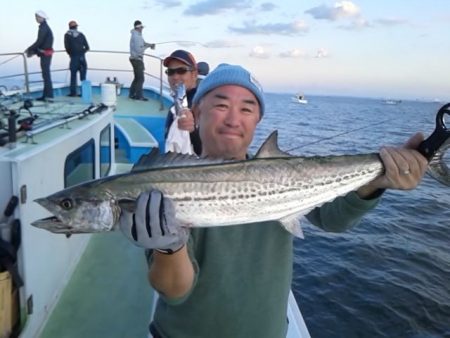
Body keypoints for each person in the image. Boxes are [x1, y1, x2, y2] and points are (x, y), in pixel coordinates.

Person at [119, 64, 428, 338]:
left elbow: (334, 219)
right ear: (196, 113)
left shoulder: (285, 175)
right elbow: (174, 291)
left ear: (258, 120)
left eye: (247, 109)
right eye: (221, 105)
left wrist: (381, 178)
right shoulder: (163, 186)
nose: (233, 119)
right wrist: (168, 247)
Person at [163, 49, 201, 155]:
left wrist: (193, 131)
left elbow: (210, 150)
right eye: (170, 72)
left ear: (194, 74)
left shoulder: (203, 104)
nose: (175, 77)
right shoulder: (176, 104)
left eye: (181, 71)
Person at [25, 10, 54, 101]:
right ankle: (46, 95)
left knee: (46, 75)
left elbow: (39, 41)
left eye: (37, 17)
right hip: (45, 53)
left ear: (42, 18)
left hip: (45, 54)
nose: (36, 19)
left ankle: (48, 96)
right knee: (45, 75)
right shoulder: (44, 27)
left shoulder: (44, 28)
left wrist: (29, 49)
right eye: (36, 17)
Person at [129, 20, 155, 101]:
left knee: (137, 78)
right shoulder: (136, 37)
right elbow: (139, 50)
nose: (142, 29)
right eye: (141, 27)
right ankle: (138, 96)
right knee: (140, 79)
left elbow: (143, 44)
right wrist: (148, 47)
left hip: (135, 59)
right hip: (137, 60)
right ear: (138, 28)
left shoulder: (137, 35)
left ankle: (132, 94)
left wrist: (150, 45)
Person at [64, 20, 90, 97]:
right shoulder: (81, 35)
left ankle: (73, 93)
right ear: (76, 27)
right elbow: (87, 47)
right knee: (83, 77)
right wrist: (82, 53)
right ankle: (84, 93)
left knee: (73, 76)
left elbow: (67, 47)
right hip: (82, 58)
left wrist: (71, 54)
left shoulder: (67, 35)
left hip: (74, 58)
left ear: (69, 27)